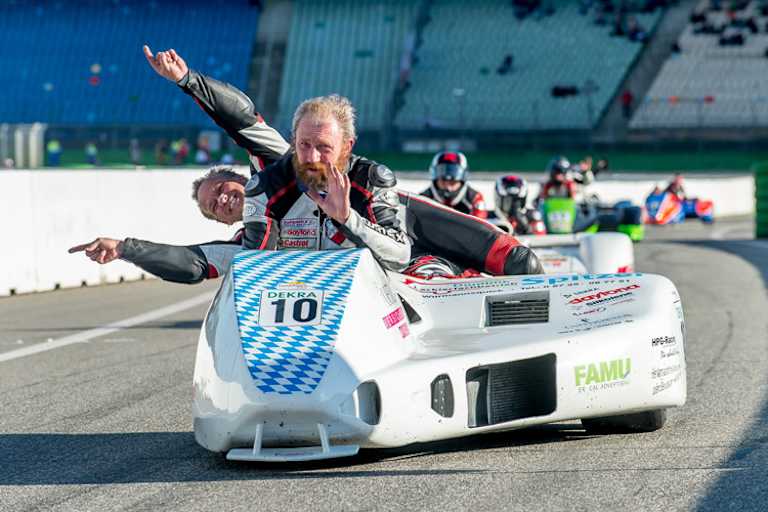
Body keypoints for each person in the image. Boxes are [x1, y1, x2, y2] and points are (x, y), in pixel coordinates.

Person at [419, 151, 488, 219]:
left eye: (453, 182)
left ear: (462, 180)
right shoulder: (423, 199)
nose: (448, 187)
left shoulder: (474, 198)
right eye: (443, 181)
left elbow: (479, 224)